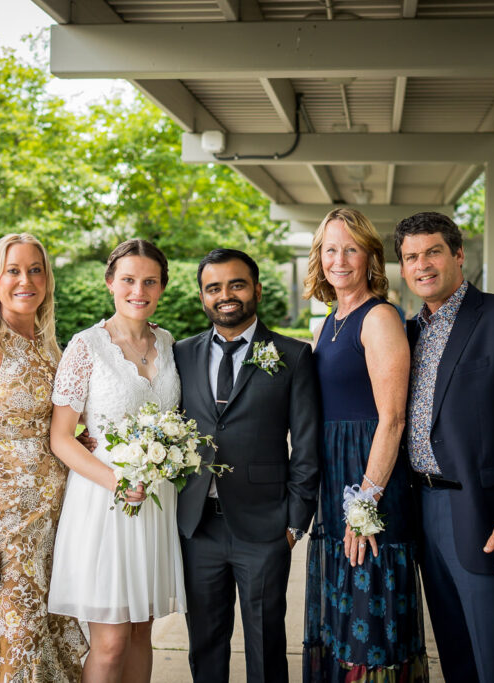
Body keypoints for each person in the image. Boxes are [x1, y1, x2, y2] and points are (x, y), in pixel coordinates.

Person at [395, 211, 494, 682]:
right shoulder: (408, 332)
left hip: (484, 513)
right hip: (422, 507)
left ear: (458, 254)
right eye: (410, 257)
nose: (422, 265)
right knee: (456, 651)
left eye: (433, 252)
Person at [175, 248, 321, 683]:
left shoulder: (293, 355)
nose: (226, 295)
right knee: (204, 643)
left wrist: (295, 522)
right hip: (197, 526)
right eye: (214, 288)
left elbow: (308, 445)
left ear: (255, 289)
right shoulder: (182, 354)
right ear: (203, 297)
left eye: (236, 284)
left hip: (265, 526)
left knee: (266, 644)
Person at [0, 233, 87, 681]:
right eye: (13, 270)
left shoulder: (50, 346)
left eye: (35, 269)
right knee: (17, 644)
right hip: (7, 527)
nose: (25, 280)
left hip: (56, 520)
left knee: (51, 639)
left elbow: (55, 432)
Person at [48, 239, 185, 683]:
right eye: (128, 280)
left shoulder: (167, 343)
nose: (138, 290)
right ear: (110, 283)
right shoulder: (85, 347)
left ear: (162, 286)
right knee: (110, 643)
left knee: (143, 633)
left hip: (155, 506)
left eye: (149, 281)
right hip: (105, 507)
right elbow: (62, 439)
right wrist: (115, 480)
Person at [301, 208, 428, 682]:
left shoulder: (378, 318)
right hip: (334, 484)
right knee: (341, 618)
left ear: (370, 256)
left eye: (350, 248)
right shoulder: (331, 319)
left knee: (369, 621)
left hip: (367, 485)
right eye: (330, 249)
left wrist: (364, 506)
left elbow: (393, 420)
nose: (339, 259)